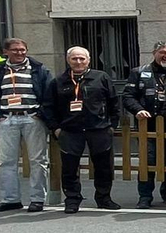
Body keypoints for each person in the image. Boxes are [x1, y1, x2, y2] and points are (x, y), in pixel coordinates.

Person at [40, 45, 119, 213]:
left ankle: (104, 198)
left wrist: (112, 125)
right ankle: (72, 199)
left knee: (103, 166)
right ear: (68, 60)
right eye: (74, 58)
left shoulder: (101, 77)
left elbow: (113, 101)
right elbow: (48, 107)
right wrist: (55, 128)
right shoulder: (58, 82)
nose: (78, 62)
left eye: (82, 58)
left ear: (88, 60)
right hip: (70, 130)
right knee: (69, 167)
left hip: (98, 129)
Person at [0, 37, 54, 213]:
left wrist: (40, 114)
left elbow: (50, 94)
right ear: (6, 52)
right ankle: (10, 199)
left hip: (32, 118)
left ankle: (38, 199)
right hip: (7, 119)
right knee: (6, 162)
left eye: (22, 50)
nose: (20, 53)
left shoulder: (38, 69)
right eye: (15, 50)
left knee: (38, 161)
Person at [123, 41, 166, 208]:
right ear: (154, 53)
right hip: (146, 126)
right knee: (147, 162)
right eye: (162, 52)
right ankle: (145, 196)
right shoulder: (139, 72)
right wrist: (138, 110)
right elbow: (128, 96)